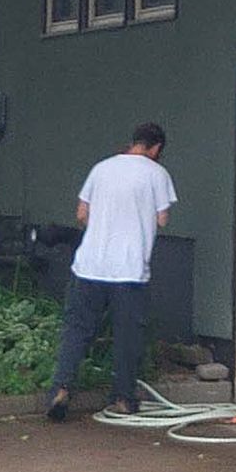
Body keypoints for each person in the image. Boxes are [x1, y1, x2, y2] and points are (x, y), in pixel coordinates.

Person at [46, 121, 177, 422]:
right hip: (129, 271)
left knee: (77, 329)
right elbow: (162, 220)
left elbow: (81, 213)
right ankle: (122, 398)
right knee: (128, 335)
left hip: (90, 265)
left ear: (133, 142)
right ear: (156, 149)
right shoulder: (157, 174)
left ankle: (61, 387)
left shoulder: (101, 168)